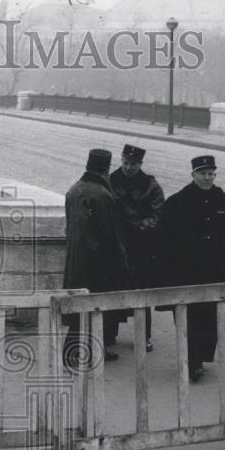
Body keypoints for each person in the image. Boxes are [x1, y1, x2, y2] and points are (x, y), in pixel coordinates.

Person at [157, 155, 225, 382]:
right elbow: (164, 241)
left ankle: (201, 357)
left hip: (214, 273)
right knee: (186, 317)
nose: (207, 178)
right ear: (193, 175)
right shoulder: (177, 202)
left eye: (210, 174)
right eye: (202, 173)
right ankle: (192, 361)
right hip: (186, 275)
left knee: (211, 318)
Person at [62, 148, 130, 368]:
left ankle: (79, 352)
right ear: (106, 169)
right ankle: (77, 354)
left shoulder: (74, 190)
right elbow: (112, 233)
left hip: (76, 258)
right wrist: (122, 263)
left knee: (80, 309)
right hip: (98, 262)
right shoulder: (103, 195)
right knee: (95, 308)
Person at [108, 143, 165, 352]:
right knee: (113, 288)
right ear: (121, 160)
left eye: (133, 164)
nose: (128, 167)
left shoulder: (150, 185)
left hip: (141, 245)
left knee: (141, 291)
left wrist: (141, 227)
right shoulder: (112, 180)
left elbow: (158, 213)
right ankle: (109, 334)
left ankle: (144, 336)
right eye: (125, 162)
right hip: (118, 244)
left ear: (140, 164)